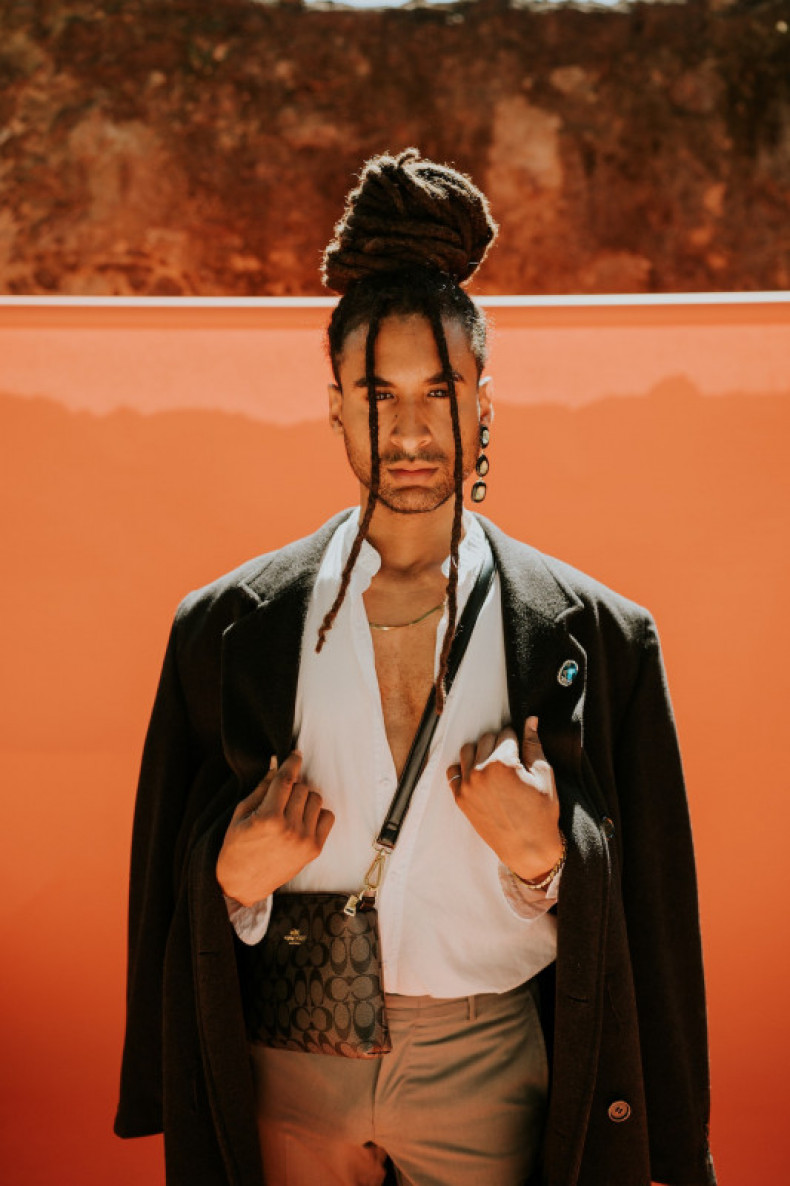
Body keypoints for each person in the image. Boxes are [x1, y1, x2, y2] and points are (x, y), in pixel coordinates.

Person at [115, 149, 715, 1186]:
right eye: (375, 393)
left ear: (483, 401)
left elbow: (658, 905)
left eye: (439, 390)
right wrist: (231, 879)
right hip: (289, 1051)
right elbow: (161, 872)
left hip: (487, 1055)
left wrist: (550, 860)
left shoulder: (601, 634)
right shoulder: (225, 627)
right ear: (335, 407)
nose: (408, 429)